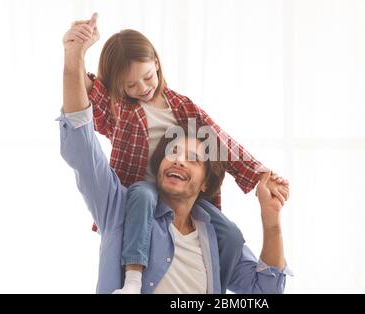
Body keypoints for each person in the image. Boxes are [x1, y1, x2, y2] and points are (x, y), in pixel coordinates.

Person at [62, 13, 290, 293]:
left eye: (147, 78)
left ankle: (216, 280)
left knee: (229, 233)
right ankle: (133, 277)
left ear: (156, 64)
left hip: (189, 205)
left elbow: (221, 141)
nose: (142, 89)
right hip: (140, 198)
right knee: (144, 195)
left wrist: (259, 175)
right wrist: (77, 53)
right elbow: (85, 102)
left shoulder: (182, 107)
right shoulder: (122, 109)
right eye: (130, 85)